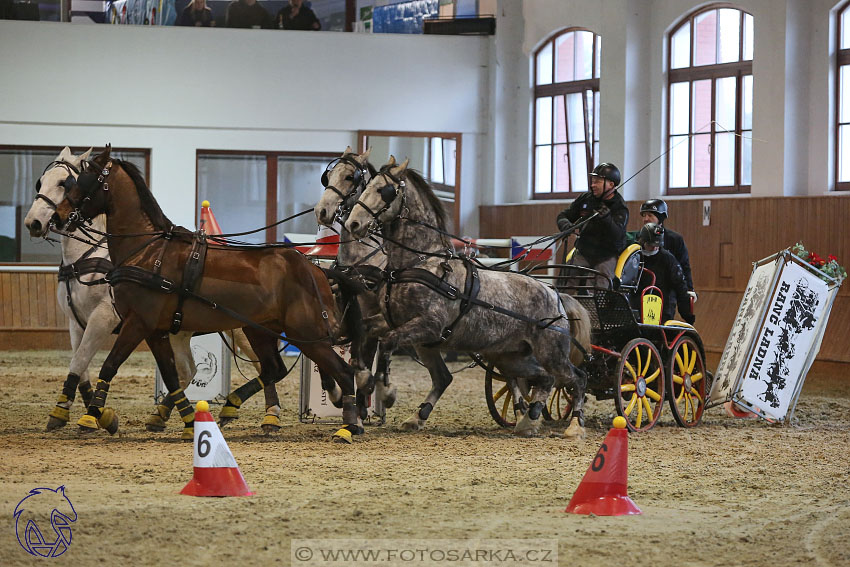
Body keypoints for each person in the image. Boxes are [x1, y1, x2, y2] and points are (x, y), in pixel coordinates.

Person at [556, 162, 629, 288]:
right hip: (583, 252)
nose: (593, 185)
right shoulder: (585, 199)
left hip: (607, 256)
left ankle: (598, 307)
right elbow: (563, 216)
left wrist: (607, 218)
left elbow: (618, 234)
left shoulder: (620, 206)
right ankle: (561, 305)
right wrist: (566, 225)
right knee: (566, 277)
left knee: (602, 280)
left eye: (597, 182)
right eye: (593, 181)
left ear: (611, 184)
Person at [635, 223, 695, 324]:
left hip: (663, 306)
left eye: (656, 246)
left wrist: (687, 315)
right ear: (643, 242)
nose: (654, 248)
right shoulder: (635, 255)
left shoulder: (668, 259)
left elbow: (680, 286)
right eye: (651, 245)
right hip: (638, 304)